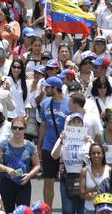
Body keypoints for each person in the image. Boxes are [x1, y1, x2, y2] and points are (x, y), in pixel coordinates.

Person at [0, 117, 40, 213]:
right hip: (6, 183)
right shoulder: (3, 145)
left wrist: (29, 175)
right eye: (14, 128)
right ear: (11, 129)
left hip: (24, 183)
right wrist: (6, 169)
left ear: (25, 130)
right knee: (6, 211)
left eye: (20, 128)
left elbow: (37, 165)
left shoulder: (30, 146)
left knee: (23, 211)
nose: (17, 130)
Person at [37, 76, 69, 210]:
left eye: (48, 87)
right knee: (48, 180)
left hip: (65, 148)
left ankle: (68, 209)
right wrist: (39, 145)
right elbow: (43, 125)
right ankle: (47, 209)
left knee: (67, 181)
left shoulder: (69, 104)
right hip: (49, 146)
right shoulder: (45, 103)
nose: (45, 89)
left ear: (55, 88)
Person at [79, 143, 111, 214]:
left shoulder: (109, 170)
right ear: (90, 155)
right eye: (93, 153)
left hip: (105, 210)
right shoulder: (84, 171)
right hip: (89, 210)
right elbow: (81, 194)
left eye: (98, 153)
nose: (96, 155)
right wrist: (90, 192)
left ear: (103, 155)